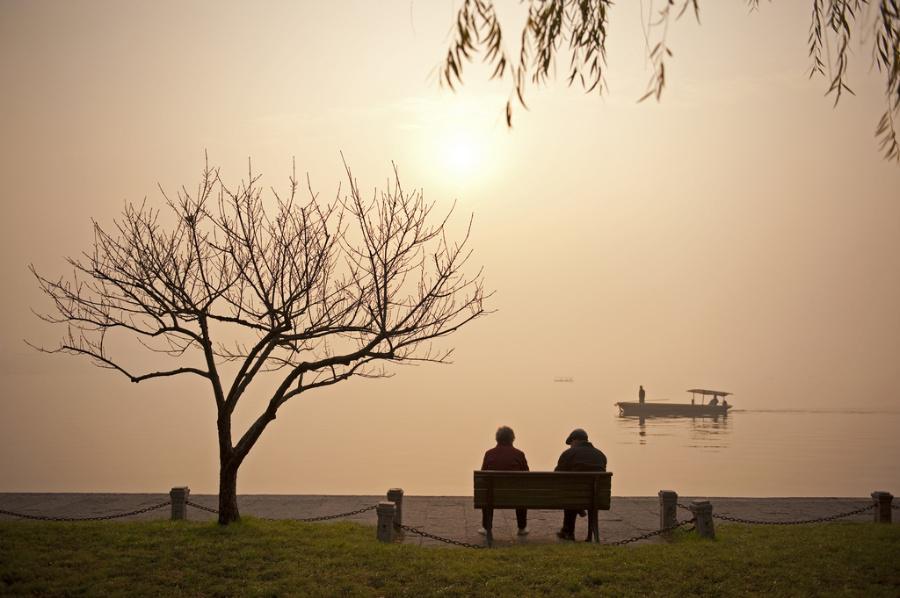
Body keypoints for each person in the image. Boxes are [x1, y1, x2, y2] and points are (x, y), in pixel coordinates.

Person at [554, 428, 607, 541]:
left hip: (574, 495)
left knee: (571, 494)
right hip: (595, 497)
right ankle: (589, 535)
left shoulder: (568, 454)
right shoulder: (600, 455)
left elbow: (556, 475)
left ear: (575, 441)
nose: (570, 446)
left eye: (571, 443)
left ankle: (568, 531)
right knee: (577, 493)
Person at [478, 426, 529, 536]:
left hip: (493, 496)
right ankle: (521, 528)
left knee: (487, 491)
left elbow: (483, 476)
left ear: (497, 439)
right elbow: (527, 475)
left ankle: (486, 527)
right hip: (515, 495)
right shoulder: (519, 454)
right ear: (512, 439)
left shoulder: (489, 454)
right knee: (521, 492)